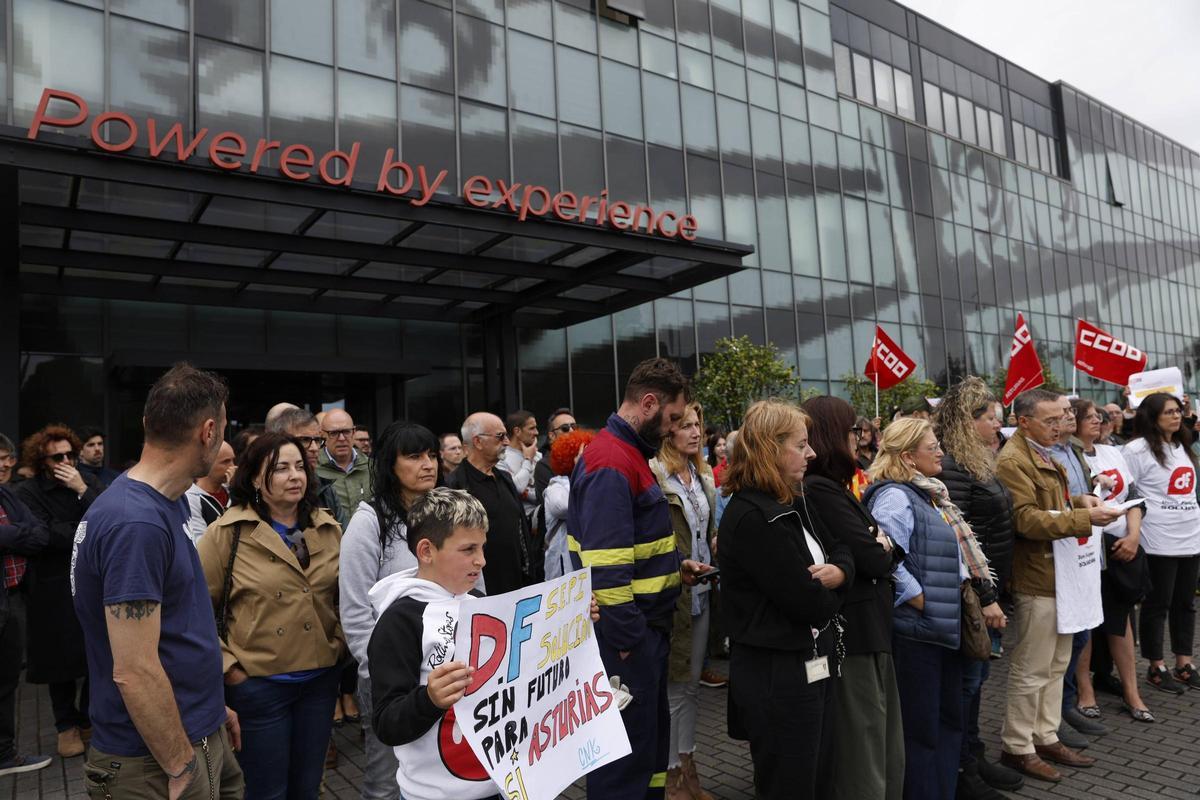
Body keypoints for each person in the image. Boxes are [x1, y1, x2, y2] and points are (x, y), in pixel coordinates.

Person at [71, 363, 243, 800]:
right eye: (223, 430)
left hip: (194, 732)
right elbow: (134, 670)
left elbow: (176, 630)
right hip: (154, 761)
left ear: (149, 423)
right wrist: (181, 765)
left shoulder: (161, 503)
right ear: (208, 432)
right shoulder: (136, 523)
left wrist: (208, 711)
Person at [568, 357, 709, 799]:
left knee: (645, 756)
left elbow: (631, 545)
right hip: (628, 642)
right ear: (647, 403)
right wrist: (632, 643)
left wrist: (675, 566)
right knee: (624, 765)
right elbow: (605, 572)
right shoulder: (613, 460)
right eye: (671, 418)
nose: (672, 429)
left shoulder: (627, 454)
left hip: (640, 635)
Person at [196, 433, 344, 800]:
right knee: (267, 792)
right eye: (280, 468)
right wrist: (230, 668)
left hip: (320, 682)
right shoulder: (226, 534)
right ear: (254, 478)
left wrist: (339, 644)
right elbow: (192, 611)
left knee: (308, 788)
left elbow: (347, 598)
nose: (294, 476)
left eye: (300, 467)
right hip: (260, 687)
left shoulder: (328, 528)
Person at [719, 400, 852, 800]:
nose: (811, 453)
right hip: (777, 675)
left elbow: (843, 547)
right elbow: (808, 603)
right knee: (791, 783)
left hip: (811, 661)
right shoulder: (754, 517)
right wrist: (839, 585)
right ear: (769, 449)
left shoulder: (793, 500)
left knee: (820, 775)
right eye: (801, 444)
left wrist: (839, 573)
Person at [864, 418, 1003, 800]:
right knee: (922, 730)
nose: (940, 452)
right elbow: (884, 560)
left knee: (947, 723)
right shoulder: (895, 497)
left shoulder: (927, 492)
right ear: (908, 457)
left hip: (939, 627)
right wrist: (922, 599)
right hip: (917, 632)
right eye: (932, 447)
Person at [994, 389, 1120, 783]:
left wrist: (1080, 500)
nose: (1060, 425)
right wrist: (1085, 519)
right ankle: (1017, 746)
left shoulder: (1044, 451)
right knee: (1032, 667)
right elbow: (1026, 521)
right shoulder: (1014, 459)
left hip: (1062, 574)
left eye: (1062, 416)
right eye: (1051, 420)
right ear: (1023, 421)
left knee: (1056, 663)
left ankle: (1045, 734)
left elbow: (1054, 504)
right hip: (1038, 576)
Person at [801, 396, 903, 800]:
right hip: (854, 637)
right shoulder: (820, 490)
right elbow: (874, 557)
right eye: (852, 432)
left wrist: (881, 546)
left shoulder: (832, 488)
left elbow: (878, 549)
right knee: (865, 749)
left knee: (879, 741)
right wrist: (880, 547)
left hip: (868, 630)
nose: (858, 440)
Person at [366, 487, 493, 800]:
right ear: (426, 551)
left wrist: (572, 624)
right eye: (468, 549)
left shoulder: (480, 602)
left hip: (498, 784)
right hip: (433, 794)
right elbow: (385, 722)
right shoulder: (400, 620)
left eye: (482, 547)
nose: (481, 560)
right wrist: (430, 699)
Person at [339, 422, 441, 800]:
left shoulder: (444, 512)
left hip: (442, 674)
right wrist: (379, 672)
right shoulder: (370, 523)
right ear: (389, 464)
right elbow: (354, 612)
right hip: (389, 680)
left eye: (431, 454)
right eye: (414, 456)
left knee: (434, 776)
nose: (428, 464)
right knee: (386, 783)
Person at [934, 379, 1023, 797]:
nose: (998, 429)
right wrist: (986, 596)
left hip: (990, 591)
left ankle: (973, 754)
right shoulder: (952, 464)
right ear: (968, 422)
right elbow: (959, 538)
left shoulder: (978, 460)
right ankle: (960, 770)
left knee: (978, 679)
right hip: (972, 598)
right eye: (992, 420)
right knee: (966, 682)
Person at [15, 425, 100, 758]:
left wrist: (81, 490)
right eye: (57, 456)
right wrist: (84, 528)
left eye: (70, 454)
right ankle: (66, 725)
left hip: (91, 580)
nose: (66, 461)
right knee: (59, 661)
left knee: (97, 654)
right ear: (42, 460)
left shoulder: (85, 482)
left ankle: (86, 716)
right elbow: (44, 536)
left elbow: (109, 516)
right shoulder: (28, 492)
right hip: (52, 587)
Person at [649, 402, 718, 800]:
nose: (695, 432)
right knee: (675, 688)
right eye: (685, 426)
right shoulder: (657, 475)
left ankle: (689, 768)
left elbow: (702, 527)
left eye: (698, 425)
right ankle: (674, 776)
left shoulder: (701, 475)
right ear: (668, 432)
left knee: (691, 686)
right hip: (674, 594)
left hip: (703, 591)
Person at [1071, 399, 1154, 722]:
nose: (1099, 421)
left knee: (1122, 619)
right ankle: (1085, 689)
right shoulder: (1069, 457)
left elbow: (1133, 497)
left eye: (1099, 417)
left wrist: (1133, 535)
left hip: (1123, 544)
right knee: (1088, 619)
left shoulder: (1112, 452)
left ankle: (1132, 692)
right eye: (1090, 417)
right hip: (1089, 547)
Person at [1122, 392, 1200, 694]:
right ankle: (1156, 666)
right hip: (1158, 539)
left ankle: (1184, 663)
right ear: (1152, 416)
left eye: (1178, 411)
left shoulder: (1182, 445)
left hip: (1189, 537)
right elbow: (1130, 494)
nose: (1176, 416)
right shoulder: (1136, 450)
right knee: (1158, 604)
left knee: (1185, 603)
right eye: (1169, 411)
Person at [446, 413, 535, 593]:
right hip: (478, 593)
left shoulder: (505, 478)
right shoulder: (454, 486)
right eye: (500, 436)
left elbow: (520, 530)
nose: (507, 442)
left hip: (518, 588)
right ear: (477, 442)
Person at [0, 483, 51, 777]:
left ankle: (4, 755)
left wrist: (10, 535)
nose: (6, 465)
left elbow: (40, 534)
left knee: (7, 681)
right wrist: (18, 534)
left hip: (14, 598)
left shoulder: (6, 494)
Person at [268, 409, 346, 535]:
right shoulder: (262, 488)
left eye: (318, 440)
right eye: (304, 440)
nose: (314, 448)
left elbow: (343, 539)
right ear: (279, 441)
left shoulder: (326, 489)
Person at [541, 427, 594, 581]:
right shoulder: (556, 487)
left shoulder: (590, 482)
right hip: (562, 569)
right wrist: (581, 470)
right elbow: (564, 506)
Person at [318, 409, 373, 514]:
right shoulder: (312, 469)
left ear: (353, 432)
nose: (342, 438)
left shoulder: (372, 467)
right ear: (322, 435)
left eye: (346, 432)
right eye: (334, 433)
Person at [185, 441, 234, 544]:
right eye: (226, 462)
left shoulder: (231, 490)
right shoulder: (191, 498)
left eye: (233, 460)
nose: (232, 467)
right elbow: (200, 543)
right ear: (207, 464)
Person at [496, 409, 541, 519]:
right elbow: (516, 488)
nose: (537, 432)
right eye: (532, 428)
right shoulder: (501, 458)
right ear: (517, 431)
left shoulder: (539, 455)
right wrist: (527, 459)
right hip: (520, 521)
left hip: (542, 518)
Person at [533, 408, 576, 508]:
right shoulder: (544, 465)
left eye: (574, 427)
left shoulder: (584, 457)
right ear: (552, 436)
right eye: (565, 428)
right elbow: (559, 506)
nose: (571, 430)